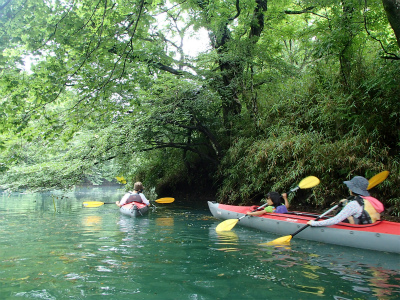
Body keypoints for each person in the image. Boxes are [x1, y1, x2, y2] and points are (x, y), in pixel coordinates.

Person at [307, 176, 384, 227]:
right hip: (371, 225)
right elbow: (359, 208)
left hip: (360, 229)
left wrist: (314, 223)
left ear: (352, 189)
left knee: (341, 214)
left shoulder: (354, 204)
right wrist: (346, 202)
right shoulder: (369, 200)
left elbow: (335, 220)